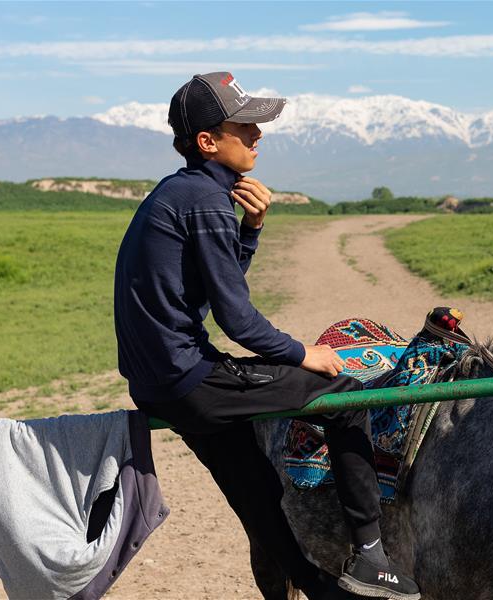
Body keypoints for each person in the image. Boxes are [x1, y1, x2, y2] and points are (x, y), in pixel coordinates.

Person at [113, 72, 420, 600]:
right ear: (208, 142)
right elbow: (238, 318)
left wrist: (249, 231)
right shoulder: (205, 201)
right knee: (346, 395)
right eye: (245, 126)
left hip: (159, 383)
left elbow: (208, 295)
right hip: (192, 377)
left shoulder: (183, 192)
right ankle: (371, 557)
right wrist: (307, 355)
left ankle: (314, 587)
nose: (258, 135)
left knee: (254, 485)